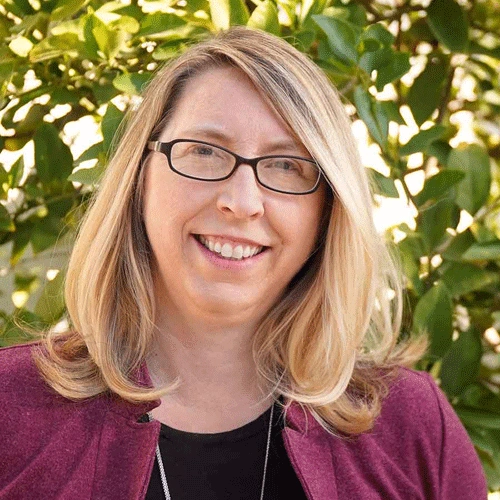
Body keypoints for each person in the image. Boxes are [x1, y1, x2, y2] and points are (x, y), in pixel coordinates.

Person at [0, 26, 487, 500]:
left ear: (327, 211)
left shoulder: (413, 428)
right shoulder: (10, 411)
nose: (242, 201)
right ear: (140, 178)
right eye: (205, 152)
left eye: (286, 165)